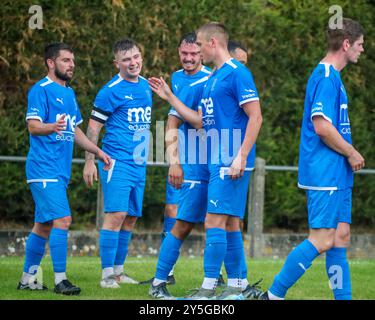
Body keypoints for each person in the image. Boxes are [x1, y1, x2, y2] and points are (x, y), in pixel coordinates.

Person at [149, 22, 263, 300]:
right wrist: (170, 97)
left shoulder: (237, 73)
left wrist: (241, 156)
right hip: (212, 162)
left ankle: (209, 288)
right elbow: (201, 120)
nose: (196, 52)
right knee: (227, 222)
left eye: (199, 46)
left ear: (213, 43)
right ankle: (238, 284)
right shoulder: (213, 78)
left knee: (214, 220)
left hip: (229, 161)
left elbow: (256, 116)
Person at [260, 18, 365, 300]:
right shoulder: (326, 77)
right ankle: (273, 295)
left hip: (338, 172)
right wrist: (352, 151)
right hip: (324, 171)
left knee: (340, 238)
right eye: (359, 45)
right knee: (321, 239)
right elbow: (321, 126)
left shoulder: (335, 77)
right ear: (346, 44)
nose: (362, 50)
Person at [19, 42, 112, 295]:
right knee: (63, 219)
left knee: (43, 226)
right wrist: (53, 126)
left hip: (59, 172)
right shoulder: (41, 89)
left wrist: (98, 151)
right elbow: (33, 126)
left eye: (72, 61)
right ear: (51, 63)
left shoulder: (69, 94)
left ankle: (28, 279)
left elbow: (76, 131)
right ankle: (61, 280)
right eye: (66, 60)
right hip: (43, 169)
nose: (72, 65)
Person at [139, 32, 214, 287]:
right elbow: (173, 120)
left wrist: (171, 98)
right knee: (173, 212)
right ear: (179, 52)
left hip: (208, 161)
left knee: (217, 220)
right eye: (185, 53)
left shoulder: (212, 79)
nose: (189, 58)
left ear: (203, 54)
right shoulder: (176, 77)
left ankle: (219, 276)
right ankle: (165, 275)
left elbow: (202, 121)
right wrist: (174, 160)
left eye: (194, 54)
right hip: (184, 160)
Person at [83, 38, 153, 288]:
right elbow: (93, 129)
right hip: (116, 161)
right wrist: (89, 161)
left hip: (139, 164)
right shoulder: (110, 90)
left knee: (131, 217)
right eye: (126, 59)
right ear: (117, 64)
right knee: (116, 215)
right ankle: (106, 275)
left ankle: (120, 272)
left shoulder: (146, 86)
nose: (133, 63)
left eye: (136, 57)